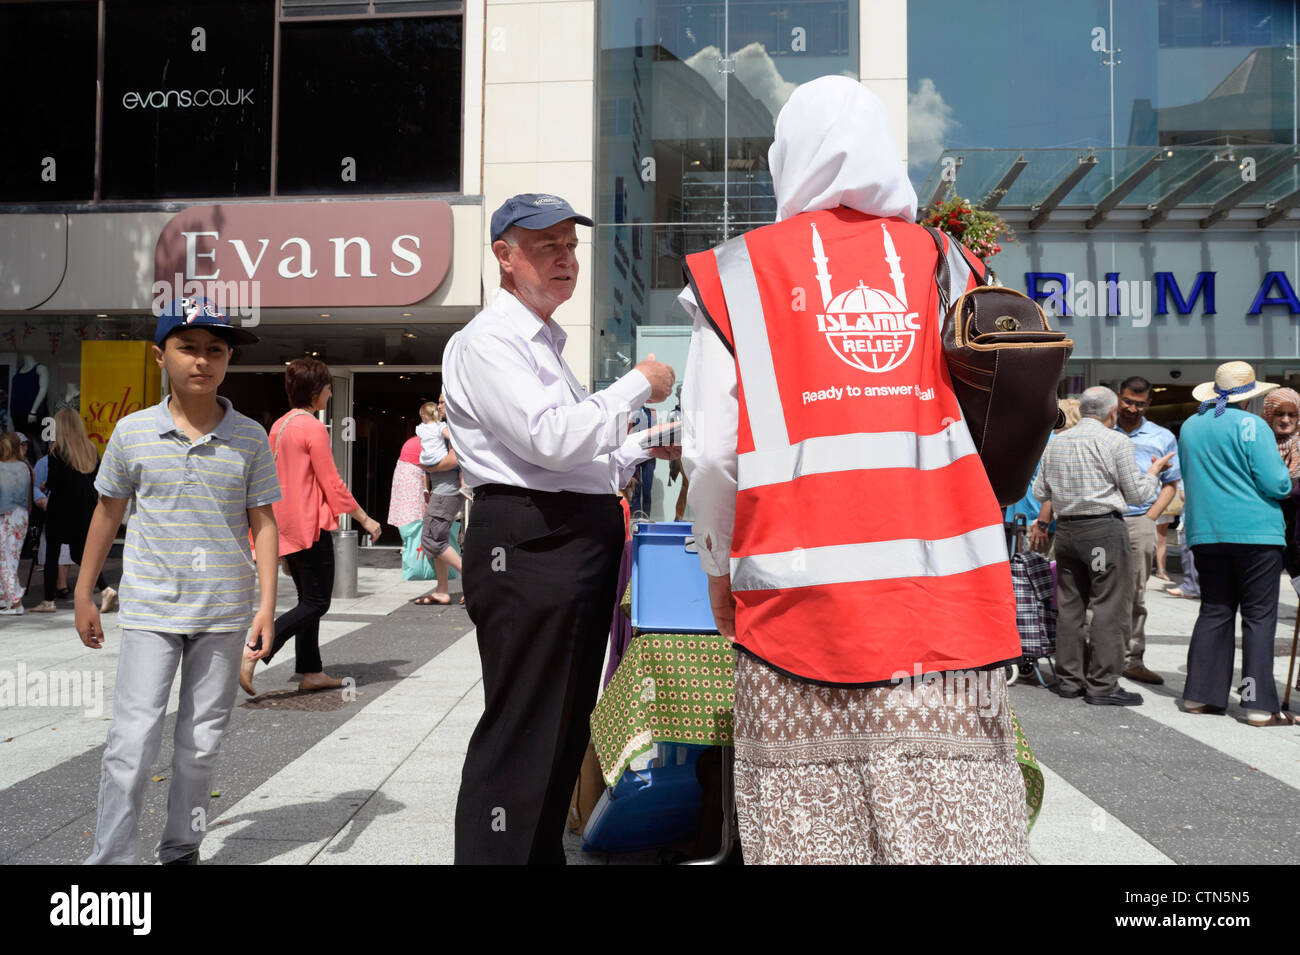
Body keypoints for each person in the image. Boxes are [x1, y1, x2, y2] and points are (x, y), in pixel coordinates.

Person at [681, 77, 1028, 864]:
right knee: (954, 836)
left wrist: (717, 572)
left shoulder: (738, 274)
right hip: (944, 618)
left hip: (796, 622)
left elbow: (711, 453)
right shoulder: (949, 264)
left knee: (811, 837)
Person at [442, 192, 675, 864]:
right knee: (524, 731)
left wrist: (642, 446)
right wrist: (635, 385)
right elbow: (548, 439)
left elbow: (573, 455)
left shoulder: (539, 340)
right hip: (532, 541)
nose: (564, 258)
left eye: (570, 245)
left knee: (560, 730)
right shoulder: (492, 339)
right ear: (504, 258)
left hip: (563, 534)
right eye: (545, 246)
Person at [76, 297, 280, 864]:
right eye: (187, 347)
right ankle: (113, 861)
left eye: (215, 350)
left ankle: (182, 848)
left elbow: (264, 523)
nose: (202, 360)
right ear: (159, 355)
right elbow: (107, 513)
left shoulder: (249, 437)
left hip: (224, 611)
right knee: (132, 743)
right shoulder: (132, 432)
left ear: (228, 360)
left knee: (200, 745)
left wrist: (266, 606)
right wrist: (84, 591)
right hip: (149, 609)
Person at [240, 358, 382, 696]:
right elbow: (331, 482)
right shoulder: (314, 427)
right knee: (318, 603)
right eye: (329, 388)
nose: (332, 394)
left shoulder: (279, 425)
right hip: (309, 525)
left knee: (308, 600)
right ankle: (257, 647)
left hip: (283, 524)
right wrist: (364, 518)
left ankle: (311, 671)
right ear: (316, 392)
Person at [1033, 386, 1173, 706]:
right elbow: (1137, 494)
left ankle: (1069, 679)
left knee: (1070, 605)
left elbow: (1042, 492)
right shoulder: (1116, 441)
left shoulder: (1056, 443)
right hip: (1101, 533)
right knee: (1109, 606)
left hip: (1067, 532)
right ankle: (1103, 684)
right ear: (1112, 412)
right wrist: (1152, 473)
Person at [1180, 362, 1295, 726]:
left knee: (1215, 609)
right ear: (1250, 396)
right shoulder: (1252, 425)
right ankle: (1257, 703)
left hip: (1205, 530)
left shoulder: (1191, 425)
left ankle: (1200, 695)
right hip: (1256, 531)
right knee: (1259, 618)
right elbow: (1276, 484)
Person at [1113, 376, 1181, 685]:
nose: (1132, 408)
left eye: (1140, 404)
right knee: (1098, 589)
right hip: (1104, 521)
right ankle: (1097, 655)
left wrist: (1149, 518)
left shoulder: (1162, 436)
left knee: (1136, 592)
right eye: (1128, 401)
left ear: (1149, 404)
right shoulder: (1103, 429)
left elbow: (1171, 484)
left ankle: (1132, 659)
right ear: (1118, 397)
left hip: (1140, 521)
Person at [31, 407, 116, 615]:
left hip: (60, 508)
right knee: (81, 553)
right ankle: (104, 589)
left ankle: (48, 600)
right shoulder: (89, 448)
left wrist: (44, 486)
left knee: (52, 553)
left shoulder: (56, 450)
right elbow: (97, 478)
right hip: (85, 508)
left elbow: (55, 481)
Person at [412, 394, 466, 606]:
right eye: (439, 402)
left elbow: (456, 457)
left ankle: (473, 581)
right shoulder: (445, 426)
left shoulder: (451, 428)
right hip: (444, 489)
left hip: (447, 491)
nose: (439, 405)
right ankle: (442, 590)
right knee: (439, 539)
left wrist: (430, 467)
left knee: (431, 540)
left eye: (443, 402)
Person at [33, 450, 74, 597]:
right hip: (52, 508)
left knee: (59, 548)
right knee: (53, 547)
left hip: (64, 509)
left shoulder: (73, 458)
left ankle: (59, 585)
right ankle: (58, 585)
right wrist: (41, 498)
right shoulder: (44, 462)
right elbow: (35, 486)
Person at [0, 432, 32, 615]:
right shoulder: (24, 466)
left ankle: (15, 601)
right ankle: (7, 597)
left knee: (6, 560)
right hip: (21, 516)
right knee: (11, 558)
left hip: (6, 516)